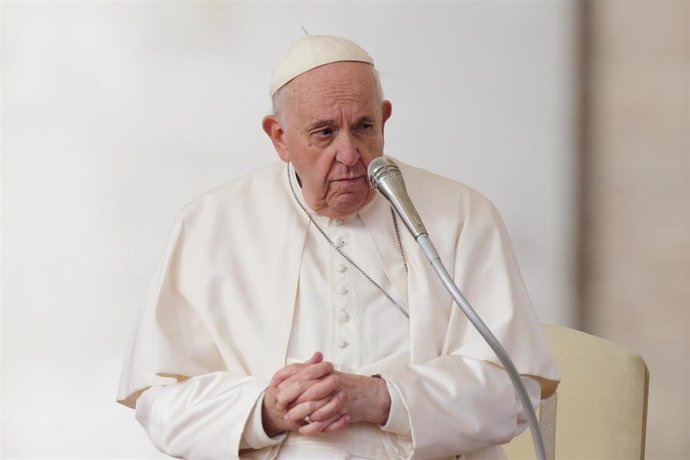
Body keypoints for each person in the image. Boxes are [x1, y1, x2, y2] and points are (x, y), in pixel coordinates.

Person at [117, 35, 559, 459]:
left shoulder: (461, 214)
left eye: (363, 127)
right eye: (325, 133)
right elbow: (160, 405)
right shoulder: (210, 225)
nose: (349, 154)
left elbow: (515, 394)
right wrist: (266, 410)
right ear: (279, 137)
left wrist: (383, 398)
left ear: (384, 119)